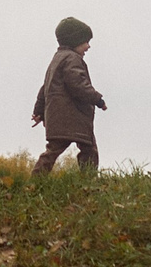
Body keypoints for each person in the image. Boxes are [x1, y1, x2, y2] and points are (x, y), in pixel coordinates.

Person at [29, 16, 107, 174]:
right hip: (74, 116)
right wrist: (97, 99)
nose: (88, 46)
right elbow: (78, 84)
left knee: (52, 151)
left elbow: (45, 88)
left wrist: (39, 111)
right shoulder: (72, 59)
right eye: (85, 42)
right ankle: (88, 180)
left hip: (57, 117)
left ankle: (36, 179)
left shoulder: (56, 60)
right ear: (74, 41)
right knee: (89, 149)